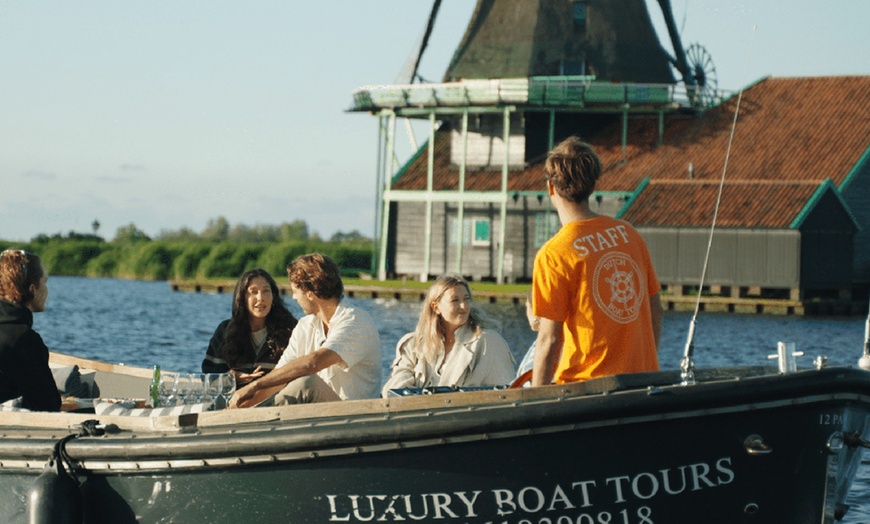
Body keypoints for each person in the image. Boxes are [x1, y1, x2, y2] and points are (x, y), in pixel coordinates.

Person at [531, 136, 663, 387]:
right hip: (641, 384)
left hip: (586, 389)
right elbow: (655, 309)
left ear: (551, 188)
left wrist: (534, 406)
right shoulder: (628, 234)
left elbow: (549, 339)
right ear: (592, 185)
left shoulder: (555, 254)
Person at [230, 253, 380, 407]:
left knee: (307, 383)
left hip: (355, 417)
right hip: (320, 415)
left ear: (309, 293)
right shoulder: (304, 326)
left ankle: (256, 423)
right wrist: (237, 406)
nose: (294, 298)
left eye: (295, 291)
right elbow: (277, 380)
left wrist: (255, 385)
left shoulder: (356, 321)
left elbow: (313, 363)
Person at [382, 274, 515, 396]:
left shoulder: (489, 342)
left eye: (466, 299)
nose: (463, 306)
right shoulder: (412, 345)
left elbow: (507, 395)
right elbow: (393, 392)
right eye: (455, 300)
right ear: (436, 307)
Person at [202, 268, 298, 385]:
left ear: (273, 296)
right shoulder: (225, 330)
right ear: (242, 297)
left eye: (266, 291)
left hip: (279, 400)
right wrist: (232, 377)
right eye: (253, 291)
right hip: (235, 400)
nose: (260, 297)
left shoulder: (291, 330)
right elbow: (209, 376)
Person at [0, 249, 61, 411]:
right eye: (44, 282)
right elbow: (49, 406)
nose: (47, 290)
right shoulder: (25, 340)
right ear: (33, 289)